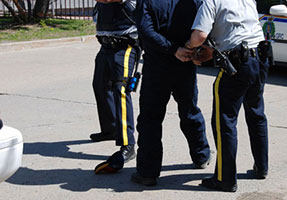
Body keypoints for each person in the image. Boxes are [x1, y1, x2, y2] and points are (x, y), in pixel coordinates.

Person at [179, 0, 270, 192]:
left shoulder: (211, 1)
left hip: (238, 65)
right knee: (256, 114)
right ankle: (261, 167)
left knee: (224, 122)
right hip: (260, 59)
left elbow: (199, 36)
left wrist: (189, 46)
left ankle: (225, 178)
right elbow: (237, 29)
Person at [130, 0, 211, 186]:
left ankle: (147, 172)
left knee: (151, 118)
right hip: (183, 62)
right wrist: (187, 49)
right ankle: (201, 155)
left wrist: (174, 50)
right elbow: (205, 26)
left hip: (160, 65)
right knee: (189, 110)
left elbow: (146, 31)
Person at [91, 0, 141, 174]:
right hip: (105, 45)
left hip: (125, 45)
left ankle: (128, 144)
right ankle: (111, 129)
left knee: (120, 90)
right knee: (99, 85)